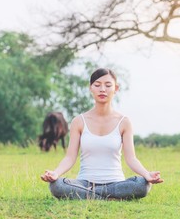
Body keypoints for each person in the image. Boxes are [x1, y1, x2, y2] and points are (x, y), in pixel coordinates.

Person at [41, 68, 163, 200]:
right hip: (84, 183)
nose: (102, 89)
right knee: (56, 186)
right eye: (97, 85)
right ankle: (107, 196)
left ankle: (91, 195)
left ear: (116, 88)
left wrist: (147, 174)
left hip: (115, 184)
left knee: (142, 185)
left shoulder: (124, 122)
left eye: (108, 85)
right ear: (91, 88)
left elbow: (131, 159)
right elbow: (70, 158)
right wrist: (55, 173)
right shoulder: (78, 121)